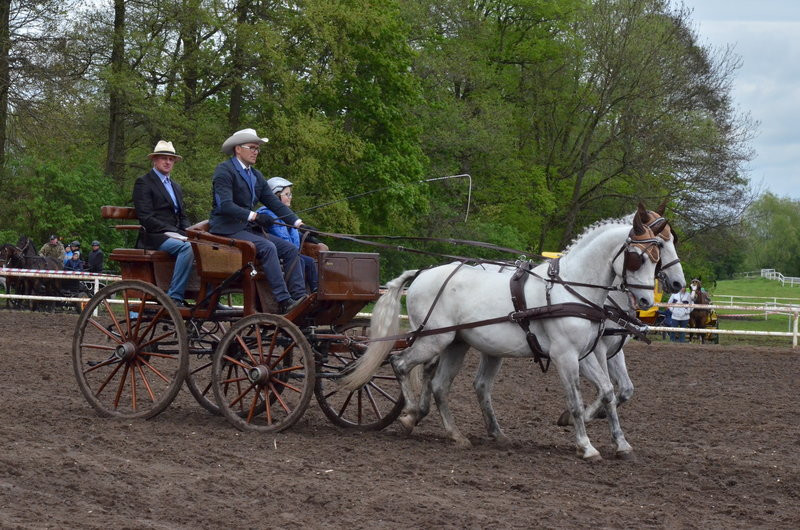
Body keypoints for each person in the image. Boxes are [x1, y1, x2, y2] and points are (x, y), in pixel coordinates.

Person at [208, 129, 308, 314]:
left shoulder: (255, 175)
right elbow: (225, 205)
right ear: (238, 149)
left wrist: (298, 223)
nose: (256, 152)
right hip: (226, 229)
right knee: (268, 247)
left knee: (290, 249)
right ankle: (284, 300)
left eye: (258, 149)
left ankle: (300, 298)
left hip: (246, 229)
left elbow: (274, 203)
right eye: (252, 147)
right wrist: (254, 216)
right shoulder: (225, 170)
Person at [132, 140, 193, 307]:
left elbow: (183, 215)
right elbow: (146, 217)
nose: (167, 162)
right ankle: (174, 296)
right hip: (154, 236)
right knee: (187, 248)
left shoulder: (176, 186)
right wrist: (173, 231)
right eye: (163, 158)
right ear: (155, 160)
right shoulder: (144, 182)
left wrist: (189, 232)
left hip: (174, 235)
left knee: (205, 246)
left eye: (171, 159)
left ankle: (208, 297)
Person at [257, 177, 327, 292]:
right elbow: (281, 236)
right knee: (303, 262)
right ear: (276, 196)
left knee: (310, 262)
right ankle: (301, 294)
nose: (290, 197)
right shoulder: (267, 214)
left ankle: (316, 291)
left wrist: (308, 238)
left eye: (290, 194)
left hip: (291, 253)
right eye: (287, 194)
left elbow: (291, 233)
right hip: (278, 255)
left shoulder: (287, 215)